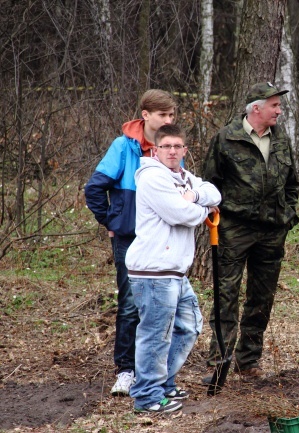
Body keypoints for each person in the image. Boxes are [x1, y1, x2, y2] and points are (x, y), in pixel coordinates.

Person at [203, 82, 299, 379]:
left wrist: (287, 215)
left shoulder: (281, 139)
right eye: (274, 105)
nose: (279, 110)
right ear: (256, 108)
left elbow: (292, 183)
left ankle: (249, 362)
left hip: (272, 231)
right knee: (226, 295)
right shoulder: (226, 138)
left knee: (262, 297)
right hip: (235, 229)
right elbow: (210, 183)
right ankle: (219, 364)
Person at [85, 89, 177, 395]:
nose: (168, 120)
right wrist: (111, 221)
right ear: (146, 115)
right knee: (129, 304)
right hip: (129, 238)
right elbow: (95, 188)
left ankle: (153, 369)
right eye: (163, 115)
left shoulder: (168, 148)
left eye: (172, 115)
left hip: (161, 238)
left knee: (161, 303)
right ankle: (125, 370)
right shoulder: (123, 147)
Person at [126, 124, 221, 413]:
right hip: (154, 271)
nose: (172, 151)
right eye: (166, 146)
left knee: (189, 325)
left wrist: (194, 197)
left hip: (175, 272)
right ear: (155, 149)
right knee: (155, 335)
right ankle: (146, 396)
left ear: (185, 150)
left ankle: (163, 383)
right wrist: (202, 209)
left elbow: (214, 192)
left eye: (177, 146)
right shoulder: (152, 178)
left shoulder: (183, 177)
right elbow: (181, 215)